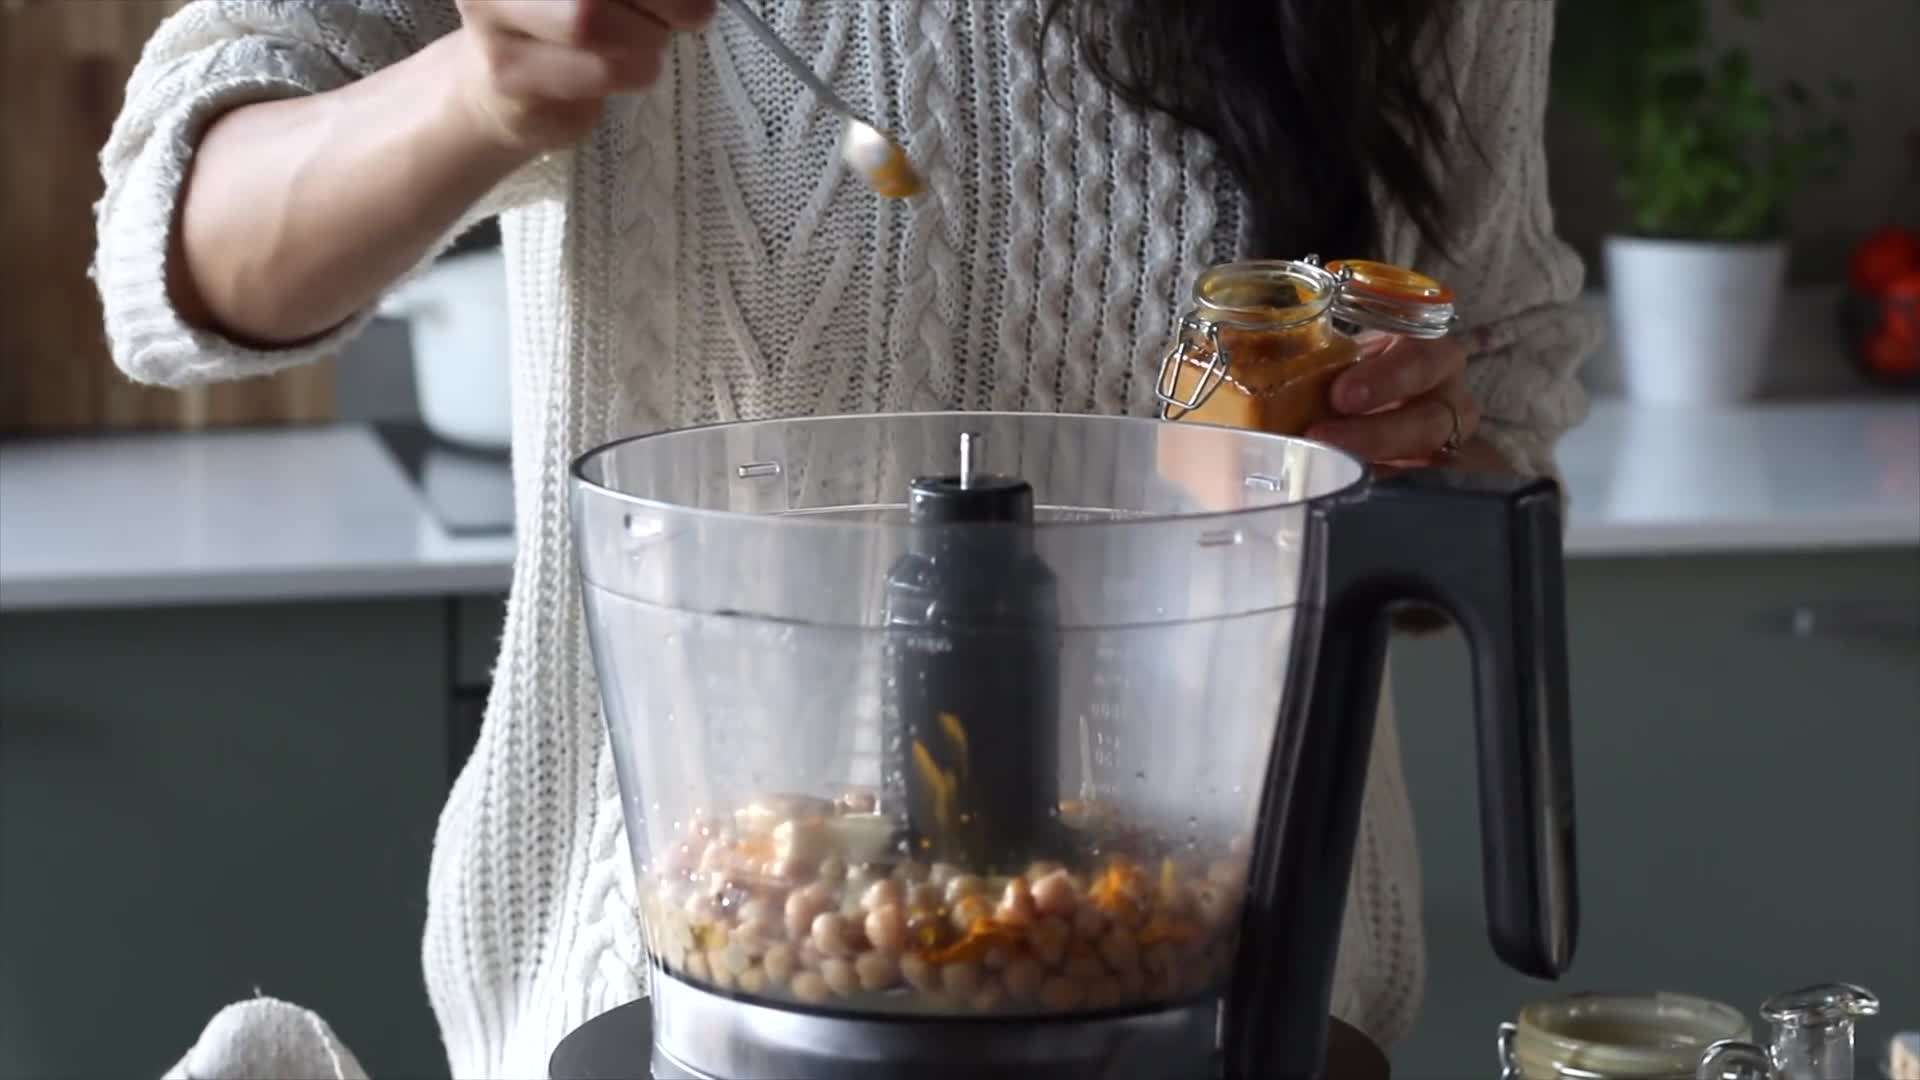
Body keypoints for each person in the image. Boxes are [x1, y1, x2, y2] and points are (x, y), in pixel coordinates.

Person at [96, 0, 1595, 1075]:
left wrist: (1376, 461)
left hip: (1225, 982)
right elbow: (174, 251)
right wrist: (475, 88)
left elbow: (1506, 376)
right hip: (691, 983)